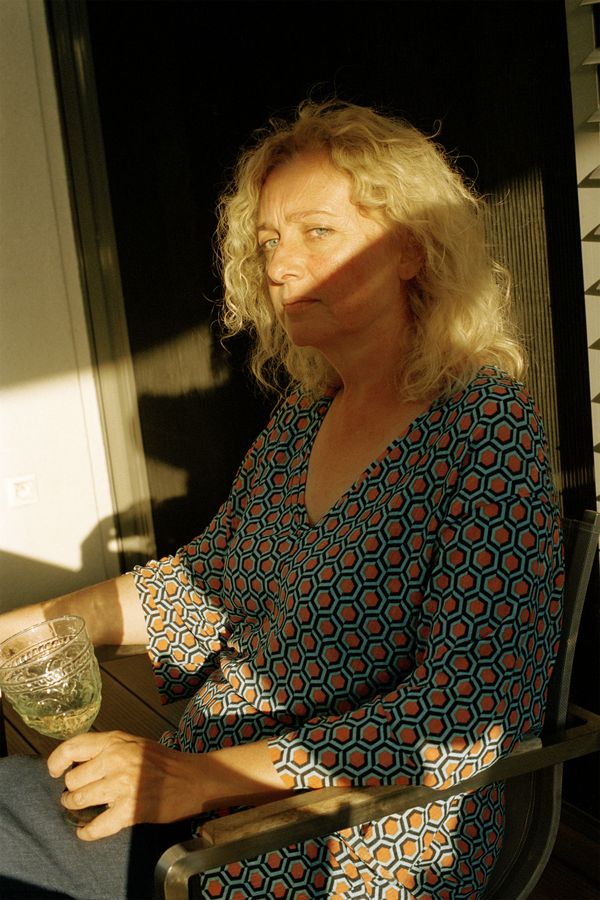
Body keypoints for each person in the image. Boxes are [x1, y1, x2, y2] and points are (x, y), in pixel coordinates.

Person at [0, 99, 564, 899]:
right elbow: (207, 581)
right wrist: (31, 628)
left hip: (351, 832)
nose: (278, 266)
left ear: (412, 247)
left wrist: (198, 779)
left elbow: (464, 710)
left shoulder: (483, 429)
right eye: (267, 240)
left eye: (317, 231)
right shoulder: (308, 412)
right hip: (203, 788)